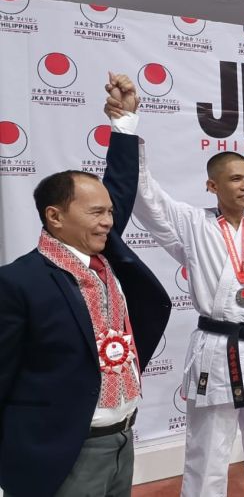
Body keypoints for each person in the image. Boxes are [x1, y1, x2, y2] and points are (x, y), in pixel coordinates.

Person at [103, 72, 244, 496]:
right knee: (209, 450)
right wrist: (126, 124)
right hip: (218, 347)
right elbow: (145, 193)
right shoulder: (192, 225)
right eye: (235, 179)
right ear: (212, 186)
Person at [0, 135, 171, 496]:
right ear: (55, 216)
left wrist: (124, 126)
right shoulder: (17, 282)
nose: (108, 221)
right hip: (62, 452)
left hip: (124, 439)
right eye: (96, 212)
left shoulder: (108, 262)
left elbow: (121, 185)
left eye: (110, 212)